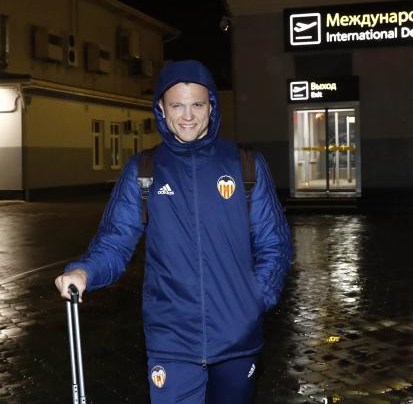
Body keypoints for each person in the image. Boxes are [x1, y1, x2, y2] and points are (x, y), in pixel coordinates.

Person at [54, 60, 293, 404]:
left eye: (197, 104)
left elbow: (275, 243)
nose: (188, 116)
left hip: (236, 337)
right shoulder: (144, 170)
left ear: (211, 106)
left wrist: (253, 300)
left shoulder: (245, 164)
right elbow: (116, 239)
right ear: (161, 110)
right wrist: (84, 271)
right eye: (177, 105)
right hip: (171, 338)